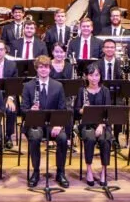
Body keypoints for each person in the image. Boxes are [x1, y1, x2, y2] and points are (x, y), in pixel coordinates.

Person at [21, 55, 69, 188]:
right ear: (36, 69)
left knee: (63, 138)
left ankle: (60, 172)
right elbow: (23, 109)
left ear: (50, 69)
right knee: (35, 136)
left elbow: (62, 109)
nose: (43, 70)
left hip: (53, 124)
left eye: (46, 67)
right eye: (41, 67)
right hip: (34, 123)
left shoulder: (58, 86)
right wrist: (31, 110)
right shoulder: (28, 86)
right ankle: (36, 172)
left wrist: (59, 125)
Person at [77, 64, 112, 187]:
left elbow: (108, 112)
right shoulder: (82, 91)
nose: (94, 78)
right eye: (91, 75)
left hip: (103, 124)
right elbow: (76, 111)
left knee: (105, 139)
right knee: (90, 139)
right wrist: (82, 110)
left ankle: (104, 171)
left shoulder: (105, 91)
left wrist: (101, 125)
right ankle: (89, 170)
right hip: (86, 124)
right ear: (86, 76)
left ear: (100, 76)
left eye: (96, 75)